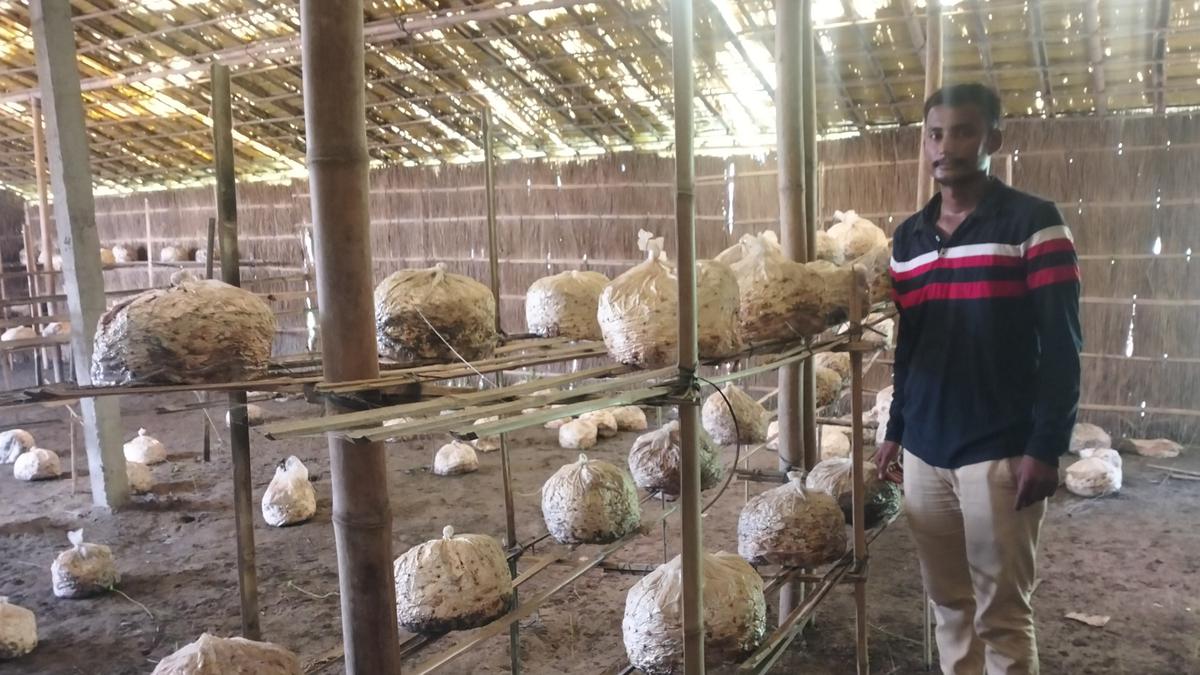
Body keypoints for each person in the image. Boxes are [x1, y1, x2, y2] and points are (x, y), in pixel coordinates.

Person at [874, 83, 1082, 675]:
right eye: (935, 134)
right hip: (925, 453)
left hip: (1000, 451)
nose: (947, 147)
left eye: (964, 132)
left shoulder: (1033, 222)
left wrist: (1045, 448)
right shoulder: (909, 238)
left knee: (1003, 615)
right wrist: (897, 428)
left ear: (994, 137)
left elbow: (1064, 345)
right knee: (948, 605)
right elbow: (911, 342)